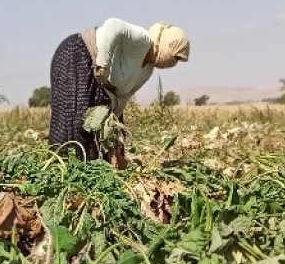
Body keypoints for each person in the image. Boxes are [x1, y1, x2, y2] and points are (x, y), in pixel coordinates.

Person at [48, 18, 190, 164]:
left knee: (94, 130)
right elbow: (113, 26)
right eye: (176, 57)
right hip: (78, 54)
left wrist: (114, 140)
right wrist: (103, 64)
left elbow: (120, 100)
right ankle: (59, 168)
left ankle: (88, 169)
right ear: (168, 44)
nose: (174, 63)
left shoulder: (147, 71)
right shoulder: (142, 40)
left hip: (97, 80)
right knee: (75, 120)